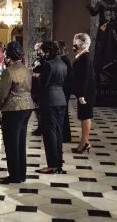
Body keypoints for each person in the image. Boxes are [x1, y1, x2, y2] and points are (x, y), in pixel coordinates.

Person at [0, 41, 34, 184]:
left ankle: (14, 176)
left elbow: (0, 94)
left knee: (11, 144)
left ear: (8, 55)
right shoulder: (26, 69)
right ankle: (21, 174)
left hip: (12, 109)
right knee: (20, 142)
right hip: (27, 108)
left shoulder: (9, 71)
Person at [36, 41, 67, 174]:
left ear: (47, 51)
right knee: (58, 132)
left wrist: (37, 77)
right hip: (61, 99)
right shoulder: (63, 63)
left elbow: (44, 83)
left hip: (49, 100)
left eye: (43, 51)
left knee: (50, 133)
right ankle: (58, 164)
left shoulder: (48, 64)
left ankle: (52, 165)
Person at [72, 33, 96, 154]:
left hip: (86, 93)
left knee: (85, 116)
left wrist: (82, 95)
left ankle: (85, 142)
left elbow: (85, 77)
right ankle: (84, 142)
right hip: (83, 92)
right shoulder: (81, 56)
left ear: (80, 43)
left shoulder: (85, 57)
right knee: (83, 116)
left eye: (75, 41)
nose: (73, 44)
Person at [57, 41, 73, 143]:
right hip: (65, 88)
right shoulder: (65, 59)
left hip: (64, 88)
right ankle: (64, 135)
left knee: (63, 112)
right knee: (63, 111)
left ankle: (64, 135)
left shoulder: (63, 60)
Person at [31, 42, 44, 136]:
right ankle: (40, 126)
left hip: (40, 86)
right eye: (35, 50)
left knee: (40, 108)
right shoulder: (36, 59)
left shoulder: (44, 60)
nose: (37, 52)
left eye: (38, 50)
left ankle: (41, 127)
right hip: (34, 85)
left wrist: (35, 74)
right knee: (36, 107)